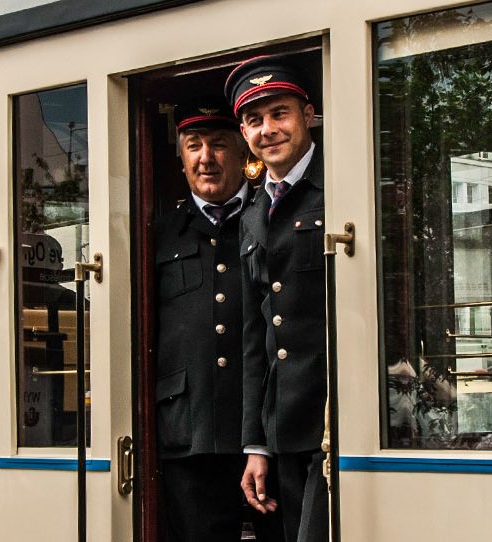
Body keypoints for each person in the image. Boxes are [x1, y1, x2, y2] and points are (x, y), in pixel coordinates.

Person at [154, 97, 279, 542]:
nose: (205, 158)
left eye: (219, 144)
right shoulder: (159, 233)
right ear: (180, 156)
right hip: (189, 434)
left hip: (269, 428)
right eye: (194, 145)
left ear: (243, 150)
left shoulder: (271, 216)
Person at [226, 54, 329, 542]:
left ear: (307, 115)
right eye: (253, 120)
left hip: (338, 419)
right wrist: (256, 444)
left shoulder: (341, 183)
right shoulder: (250, 211)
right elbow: (255, 337)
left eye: (279, 114)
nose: (267, 129)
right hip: (283, 426)